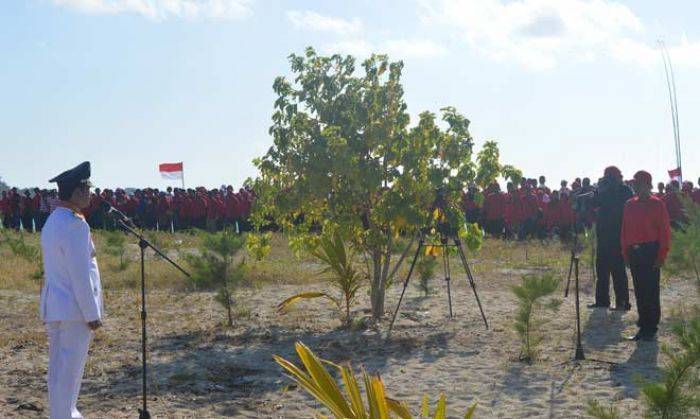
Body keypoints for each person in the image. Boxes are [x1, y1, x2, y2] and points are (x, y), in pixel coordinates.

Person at [40, 161, 103, 418]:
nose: (90, 193)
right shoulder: (76, 225)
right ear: (76, 192)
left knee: (59, 375)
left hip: (57, 307)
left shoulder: (54, 220)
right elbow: (80, 275)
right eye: (87, 188)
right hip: (74, 311)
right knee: (69, 375)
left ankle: (62, 414)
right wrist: (92, 313)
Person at [621, 170, 671, 341]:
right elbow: (624, 230)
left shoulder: (657, 204)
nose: (634, 187)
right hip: (634, 252)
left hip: (651, 251)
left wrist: (661, 255)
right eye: (634, 184)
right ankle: (643, 324)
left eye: (638, 184)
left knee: (651, 290)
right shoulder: (629, 204)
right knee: (639, 289)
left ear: (647, 185)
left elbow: (664, 232)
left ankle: (651, 327)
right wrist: (625, 253)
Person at [588, 166, 633, 311]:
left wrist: (608, 190)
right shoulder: (604, 190)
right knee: (601, 270)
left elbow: (625, 204)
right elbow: (594, 203)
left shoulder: (625, 190)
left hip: (618, 234)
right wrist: (601, 189)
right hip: (603, 235)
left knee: (618, 270)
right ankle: (602, 301)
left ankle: (622, 302)